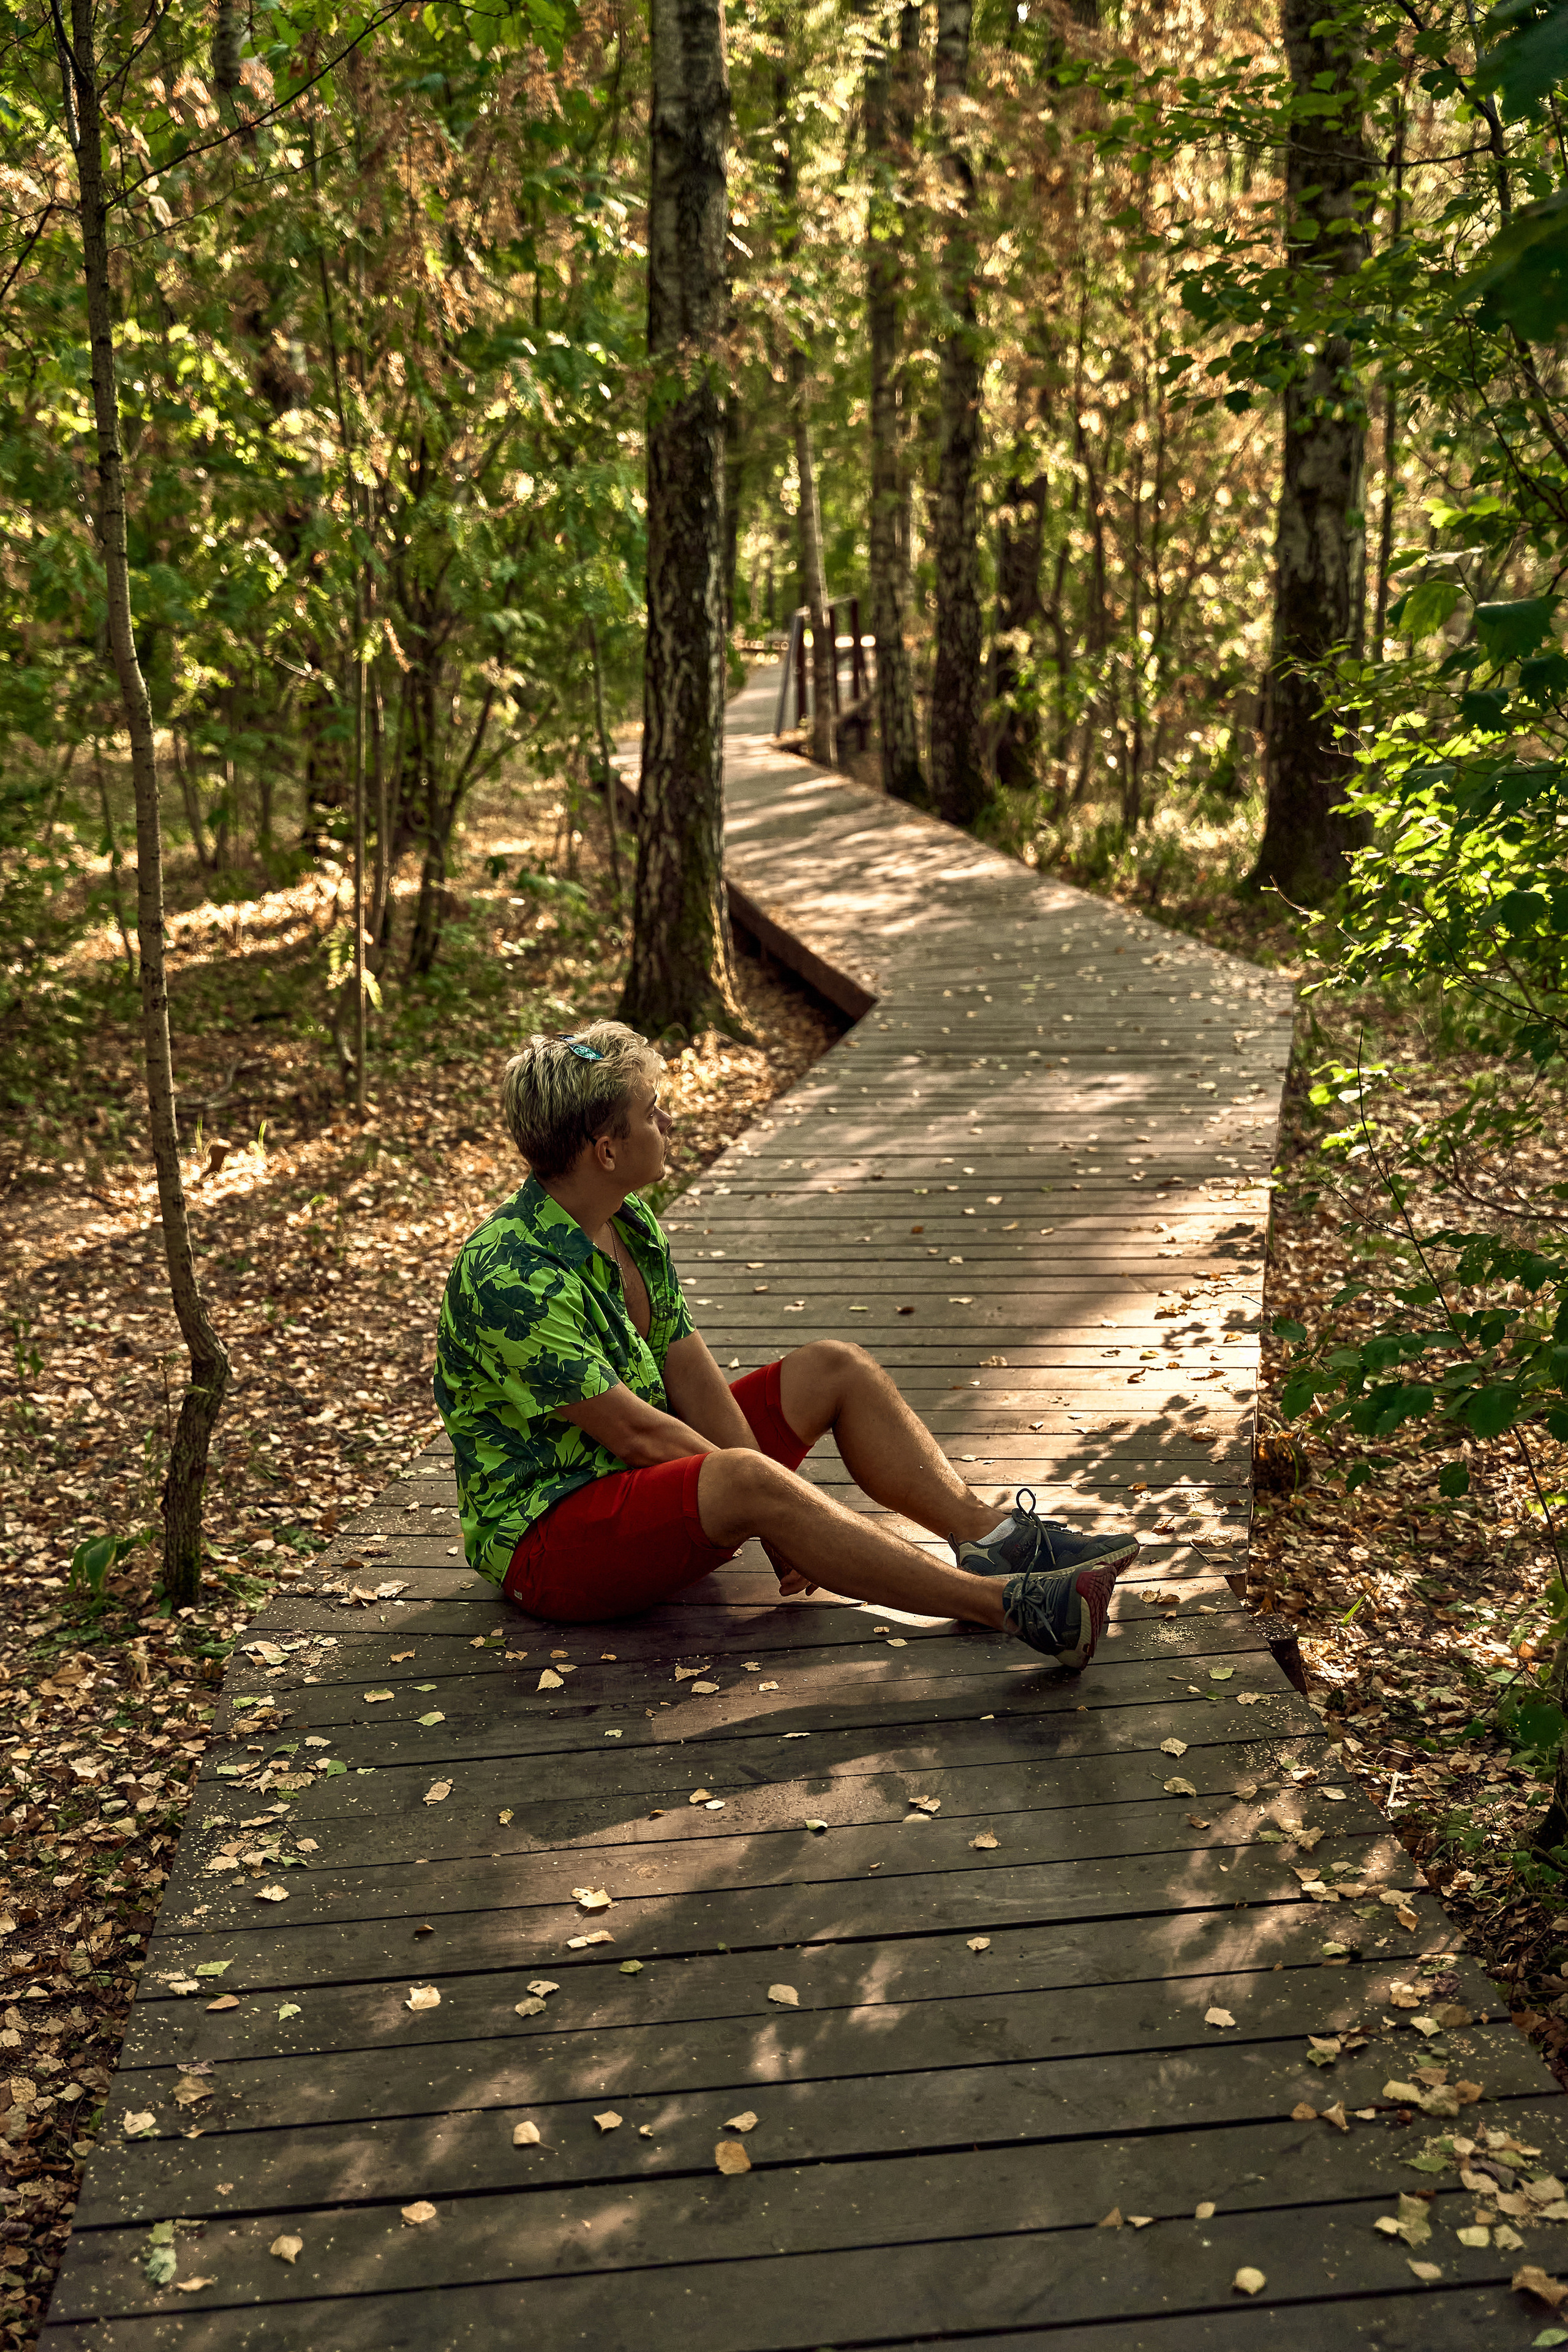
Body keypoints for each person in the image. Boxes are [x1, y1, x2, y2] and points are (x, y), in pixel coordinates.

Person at [434, 1020, 1137, 1667]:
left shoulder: (629, 1221)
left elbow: (690, 1373)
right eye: (651, 1111)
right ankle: (1012, 1609)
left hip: (643, 1495)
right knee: (748, 1477)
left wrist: (777, 1511)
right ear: (606, 1148)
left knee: (834, 1368)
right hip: (555, 1546)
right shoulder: (510, 1275)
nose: (668, 1121)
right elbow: (639, 1437)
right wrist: (775, 1510)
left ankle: (994, 1543)